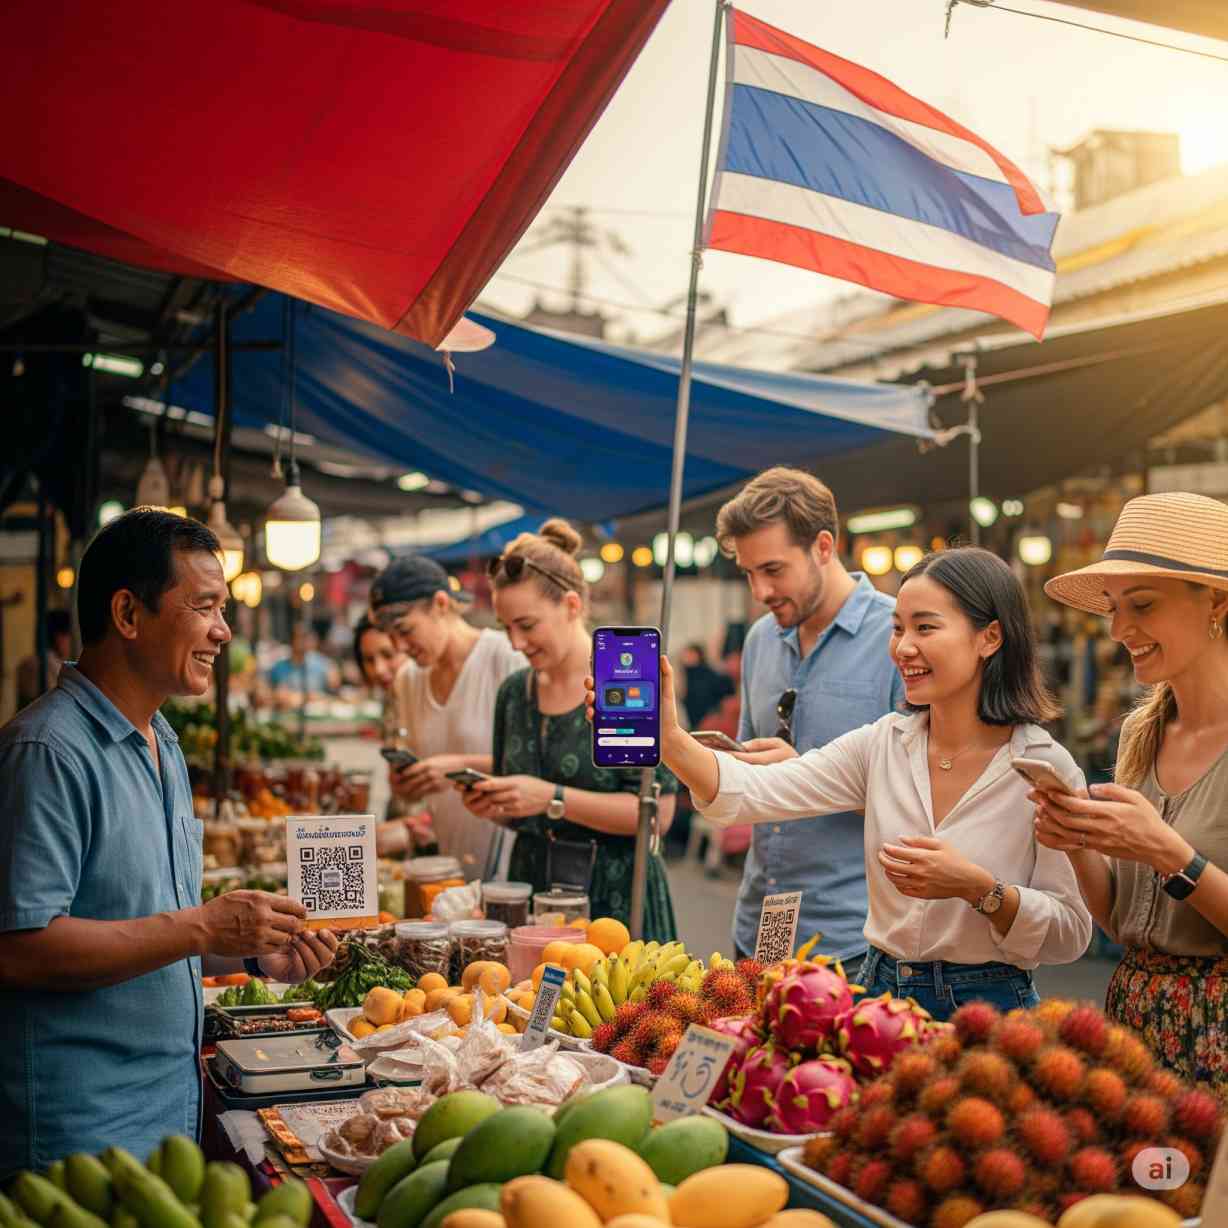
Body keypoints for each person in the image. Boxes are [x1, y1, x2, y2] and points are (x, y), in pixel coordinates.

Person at [0, 509, 337, 1175]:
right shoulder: (47, 751)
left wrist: (254, 948)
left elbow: (152, 925)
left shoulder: (164, 742)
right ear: (128, 614)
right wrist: (202, 925)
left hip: (167, 1112)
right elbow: (20, 950)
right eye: (205, 606)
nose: (223, 630)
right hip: (79, 1137)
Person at [648, 546, 1092, 1020]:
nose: (903, 647)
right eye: (898, 628)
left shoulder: (1044, 768)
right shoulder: (881, 744)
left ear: (990, 637)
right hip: (878, 999)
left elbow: (1069, 932)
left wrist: (980, 889)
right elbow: (755, 791)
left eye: (925, 627)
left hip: (990, 1009)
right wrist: (668, 737)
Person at [1035, 492, 1228, 1095]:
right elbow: (1122, 922)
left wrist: (1170, 854)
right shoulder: (1140, 736)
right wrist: (1074, 842)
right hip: (1135, 1026)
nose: (1119, 630)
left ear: (1217, 602)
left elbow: (1169, 863)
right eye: (1114, 609)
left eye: (1141, 605)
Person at [712, 467, 905, 972]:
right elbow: (743, 781)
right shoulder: (759, 639)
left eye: (773, 570)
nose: (760, 590)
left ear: (824, 546)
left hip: (852, 939)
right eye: (749, 573)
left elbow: (927, 805)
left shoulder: (900, 638)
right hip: (757, 927)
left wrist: (805, 776)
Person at [461, 519, 678, 940]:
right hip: (533, 898)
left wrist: (551, 799)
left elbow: (655, 817)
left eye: (527, 625)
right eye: (506, 627)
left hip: (615, 901)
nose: (516, 643)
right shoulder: (513, 693)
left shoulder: (622, 678)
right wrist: (498, 805)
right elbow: (526, 808)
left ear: (572, 606)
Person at [370, 556, 524, 879]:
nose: (400, 646)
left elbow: (534, 768)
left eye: (405, 631)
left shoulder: (505, 658)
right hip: (448, 865)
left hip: (511, 865)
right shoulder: (408, 680)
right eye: (390, 637)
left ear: (441, 604)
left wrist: (454, 768)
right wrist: (409, 784)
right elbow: (424, 785)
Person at [16, 609, 73, 709]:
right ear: (60, 638)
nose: (70, 644)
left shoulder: (25, 663)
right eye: (69, 636)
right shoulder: (55, 668)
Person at [267, 623, 340, 699]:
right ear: (291, 641)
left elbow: (334, 686)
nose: (303, 642)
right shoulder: (279, 668)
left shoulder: (321, 663)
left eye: (305, 638)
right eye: (299, 638)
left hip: (318, 707)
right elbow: (273, 694)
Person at [679, 642, 734, 729]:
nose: (686, 658)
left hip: (708, 722)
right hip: (694, 723)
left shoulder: (708, 675)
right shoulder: (686, 675)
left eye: (690, 654)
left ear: (698, 655)